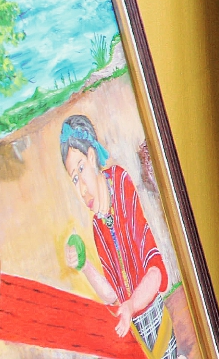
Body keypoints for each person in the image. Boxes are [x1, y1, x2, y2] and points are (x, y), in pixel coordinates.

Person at [61, 115, 181, 359]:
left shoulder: (120, 184)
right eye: (74, 178)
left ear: (92, 156)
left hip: (156, 323)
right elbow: (112, 295)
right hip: (134, 332)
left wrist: (131, 306)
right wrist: (84, 265)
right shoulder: (98, 225)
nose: (81, 189)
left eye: (81, 169)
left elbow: (155, 271)